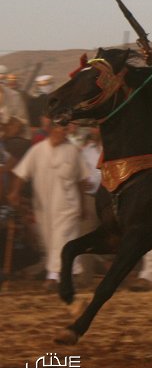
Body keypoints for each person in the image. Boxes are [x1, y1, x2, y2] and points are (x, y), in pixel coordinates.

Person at [7, 120, 92, 290]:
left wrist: (83, 206)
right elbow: (22, 174)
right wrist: (15, 192)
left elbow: (81, 181)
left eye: (66, 129)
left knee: (61, 237)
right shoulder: (37, 151)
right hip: (43, 207)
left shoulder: (73, 151)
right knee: (51, 241)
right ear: (53, 129)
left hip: (68, 206)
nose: (64, 131)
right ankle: (69, 274)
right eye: (61, 128)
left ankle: (52, 277)